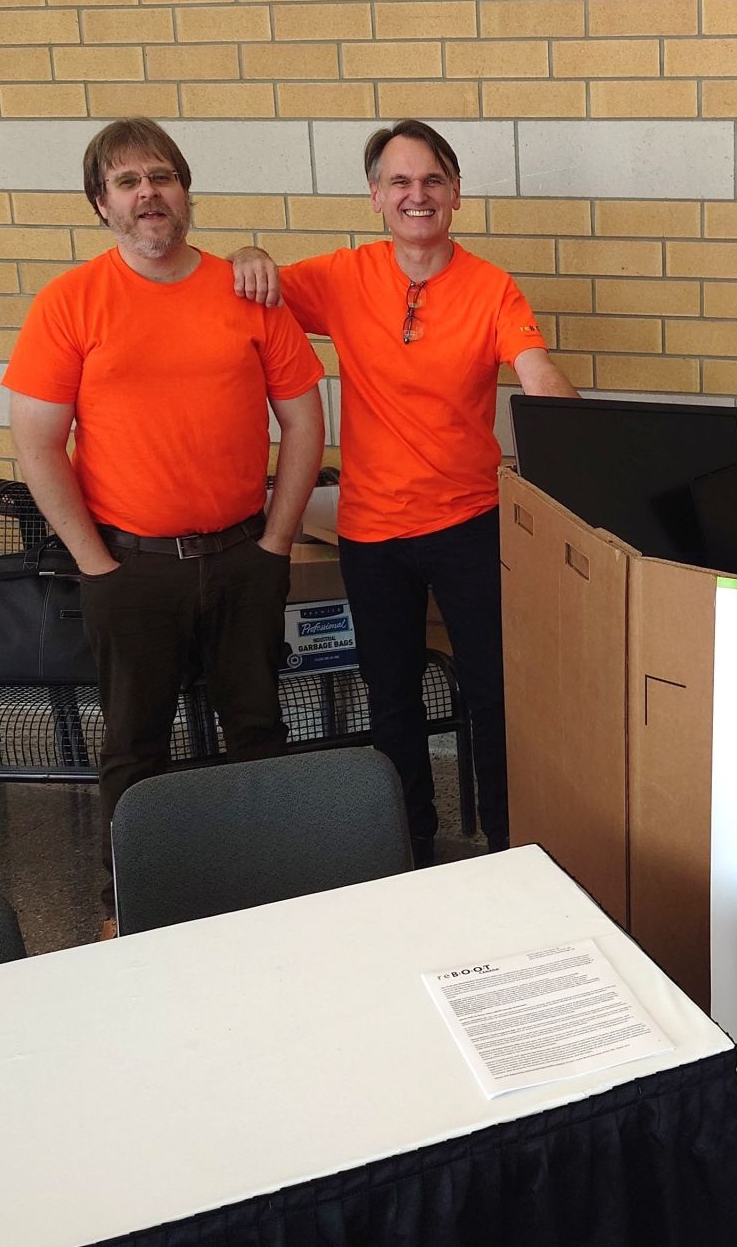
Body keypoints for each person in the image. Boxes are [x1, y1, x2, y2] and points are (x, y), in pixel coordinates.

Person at [231, 119, 576, 865]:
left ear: (455, 193)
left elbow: (535, 368)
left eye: (431, 181)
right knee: (391, 698)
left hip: (469, 524)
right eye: (399, 182)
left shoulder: (491, 287)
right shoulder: (342, 276)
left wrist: (568, 428)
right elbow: (253, 291)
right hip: (371, 531)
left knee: (494, 693)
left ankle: (509, 846)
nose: (416, 195)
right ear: (375, 199)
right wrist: (251, 255)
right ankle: (407, 845)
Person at [4, 117, 327, 836]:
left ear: (185, 191)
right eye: (128, 182)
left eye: (162, 177)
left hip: (244, 558)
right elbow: (37, 446)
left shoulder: (245, 291)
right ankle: (130, 908)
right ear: (101, 203)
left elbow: (305, 424)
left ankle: (275, 883)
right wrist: (96, 563)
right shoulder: (69, 302)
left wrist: (275, 546)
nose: (149, 193)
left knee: (259, 733)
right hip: (130, 567)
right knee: (133, 749)